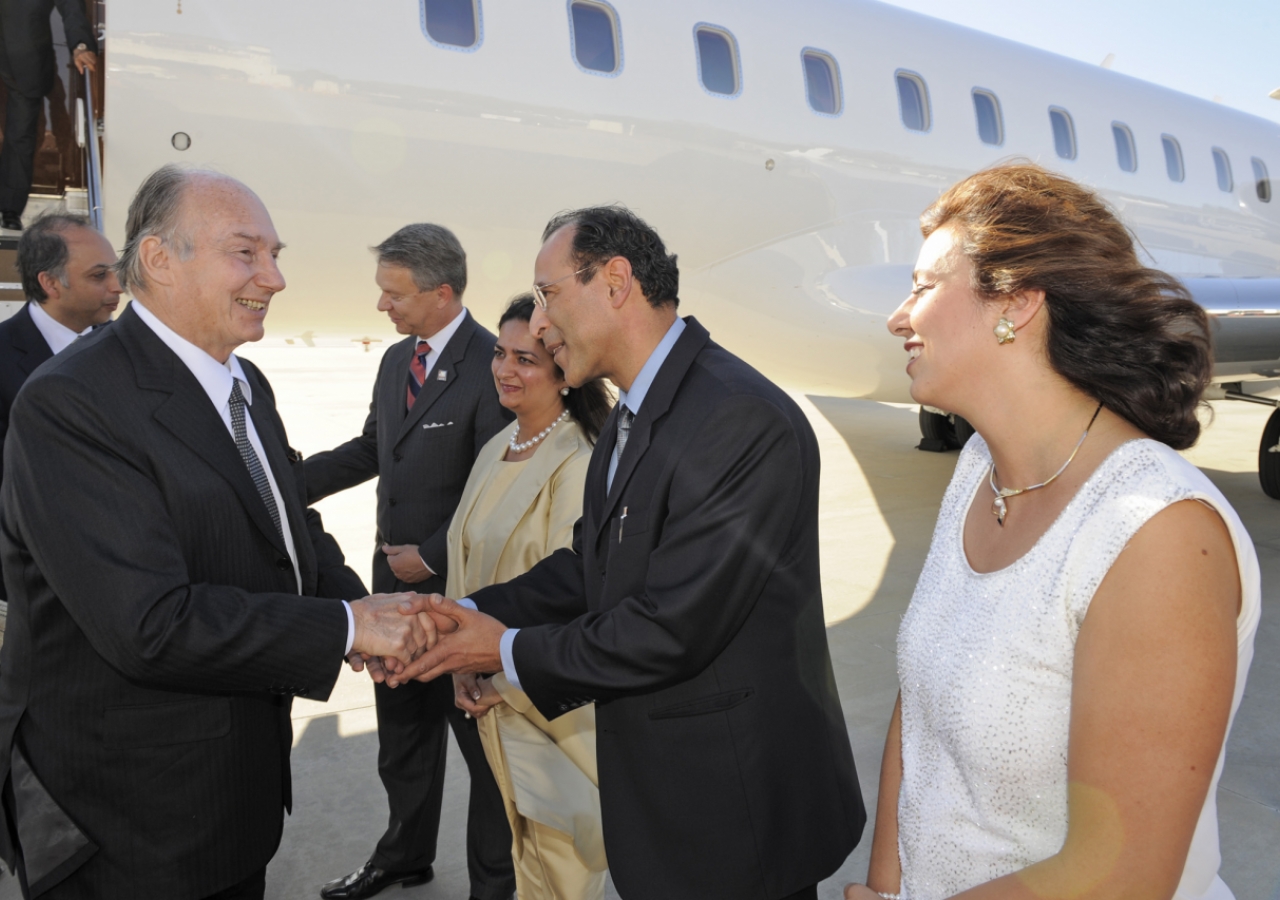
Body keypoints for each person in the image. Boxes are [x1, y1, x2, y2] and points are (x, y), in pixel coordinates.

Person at [388, 205, 867, 900]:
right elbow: (589, 566)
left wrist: (505, 650)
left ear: (615, 282)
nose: (540, 323)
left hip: (735, 816)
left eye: (549, 295)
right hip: (667, 804)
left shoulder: (736, 416)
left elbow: (671, 627)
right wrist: (462, 615)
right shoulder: (631, 415)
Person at [0, 164, 432, 900]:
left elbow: (289, 524)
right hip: (130, 826)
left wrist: (370, 613)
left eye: (276, 254)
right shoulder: (73, 404)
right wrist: (346, 630)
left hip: (228, 802)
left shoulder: (244, 382)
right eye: (247, 253)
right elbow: (150, 624)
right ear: (160, 260)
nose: (275, 277)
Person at [842, 163, 1260, 900]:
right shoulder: (978, 467)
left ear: (1020, 303)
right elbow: (920, 714)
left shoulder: (1157, 533)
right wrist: (884, 886)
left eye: (924, 285)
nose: (897, 316)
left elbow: (1123, 877)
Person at [305, 224, 515, 900]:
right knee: (401, 740)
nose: (382, 307)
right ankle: (403, 856)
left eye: (393, 295)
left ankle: (494, 886)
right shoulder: (399, 359)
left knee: (484, 755)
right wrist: (287, 485)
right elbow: (374, 448)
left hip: (461, 598)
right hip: (393, 592)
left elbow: (501, 485)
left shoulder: (495, 364)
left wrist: (430, 555)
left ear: (442, 293)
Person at [444, 293, 612, 900]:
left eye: (525, 359)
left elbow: (572, 591)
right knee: (503, 851)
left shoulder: (581, 458)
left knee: (556, 867)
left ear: (563, 373)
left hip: (538, 699)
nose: (504, 370)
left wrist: (496, 672)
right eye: (498, 353)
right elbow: (464, 567)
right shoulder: (500, 445)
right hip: (479, 689)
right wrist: (457, 660)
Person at [0, 213, 120, 600]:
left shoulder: (127, 348)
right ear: (50, 283)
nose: (117, 287)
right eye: (99, 276)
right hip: (37, 586)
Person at [0, 0, 98, 231]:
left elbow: (71, 7)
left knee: (21, 133)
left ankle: (10, 208)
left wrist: (81, 45)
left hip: (25, 56)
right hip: (20, 54)